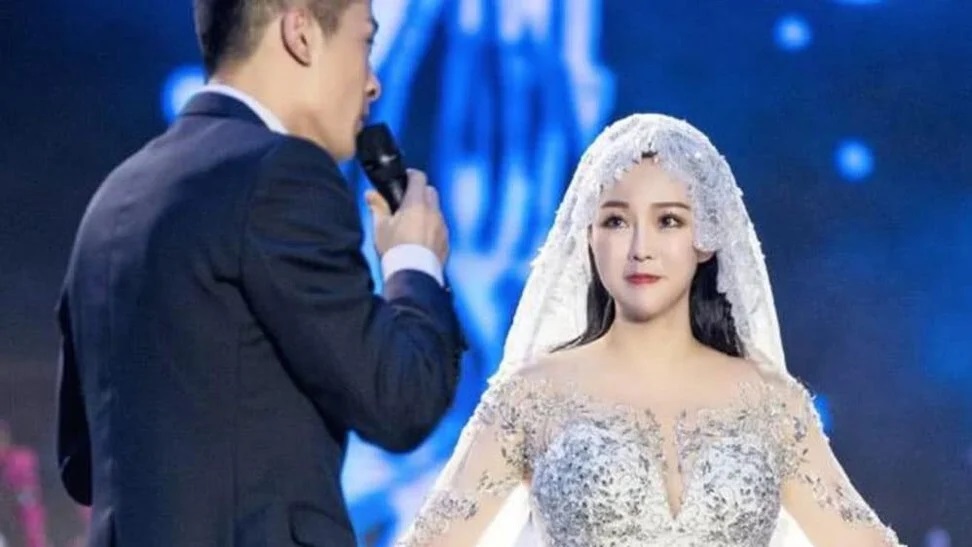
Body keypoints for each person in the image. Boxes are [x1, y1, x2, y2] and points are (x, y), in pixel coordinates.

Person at [55, 0, 465, 545]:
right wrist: (414, 260)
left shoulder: (116, 195)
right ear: (301, 33)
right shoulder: (283, 175)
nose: (373, 84)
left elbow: (82, 461)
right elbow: (400, 400)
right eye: (365, 42)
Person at [396, 114, 901, 546]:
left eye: (669, 221)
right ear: (588, 236)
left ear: (707, 237)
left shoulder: (772, 404)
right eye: (616, 221)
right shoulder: (531, 397)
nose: (641, 249)